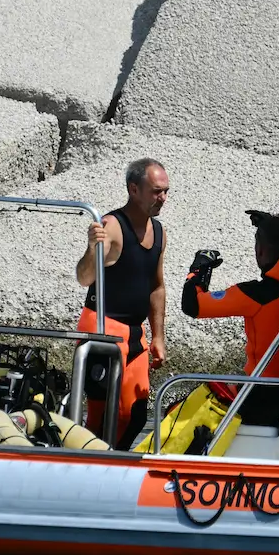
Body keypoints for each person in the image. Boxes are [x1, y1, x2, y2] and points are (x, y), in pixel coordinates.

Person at [75, 157, 169, 446]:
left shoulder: (160, 232)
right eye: (156, 191)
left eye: (166, 191)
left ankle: (114, 463)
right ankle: (87, 466)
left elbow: (157, 286)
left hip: (135, 333)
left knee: (136, 413)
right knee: (100, 415)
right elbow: (84, 277)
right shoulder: (113, 226)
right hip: (103, 327)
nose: (162, 198)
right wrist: (93, 248)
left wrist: (158, 336)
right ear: (134, 189)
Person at [181, 210, 279, 427]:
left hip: (260, 396)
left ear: (261, 250)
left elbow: (192, 305)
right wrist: (270, 227)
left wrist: (198, 270)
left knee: (189, 414)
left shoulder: (255, 295)